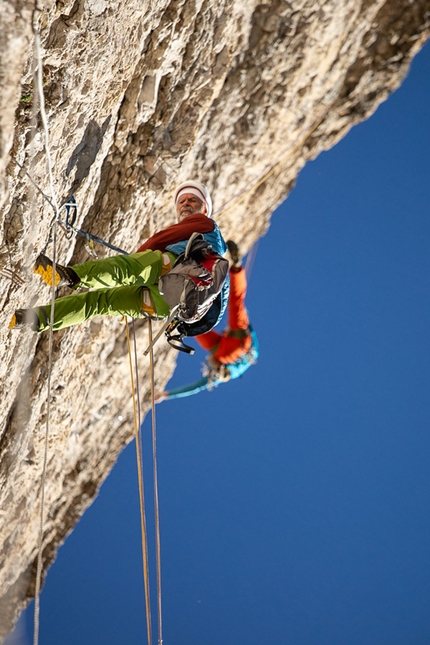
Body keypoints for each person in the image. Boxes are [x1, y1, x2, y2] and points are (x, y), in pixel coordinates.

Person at [9, 181, 229, 333]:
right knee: (101, 303)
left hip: (176, 269)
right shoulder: (216, 260)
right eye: (182, 201)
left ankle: (68, 276)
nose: (186, 204)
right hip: (168, 306)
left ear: (205, 209)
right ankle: (33, 319)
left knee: (126, 269)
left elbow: (160, 240)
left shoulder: (206, 224)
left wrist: (138, 259)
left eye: (193, 200)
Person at [156, 240, 258, 401]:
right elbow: (196, 387)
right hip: (223, 351)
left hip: (241, 341)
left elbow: (249, 330)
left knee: (236, 301)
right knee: (191, 323)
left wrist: (244, 318)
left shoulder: (250, 354)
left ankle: (236, 267)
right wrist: (167, 395)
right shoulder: (228, 370)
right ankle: (174, 300)